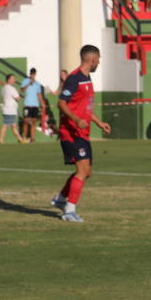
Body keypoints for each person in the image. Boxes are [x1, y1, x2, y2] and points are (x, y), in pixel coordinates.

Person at [51, 45, 111, 220]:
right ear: (92, 60)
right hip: (70, 132)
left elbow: (85, 107)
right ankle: (69, 211)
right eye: (98, 59)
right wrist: (76, 120)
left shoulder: (87, 78)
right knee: (82, 170)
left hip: (82, 133)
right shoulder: (74, 78)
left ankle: (61, 199)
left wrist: (99, 123)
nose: (99, 62)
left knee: (87, 172)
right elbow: (61, 103)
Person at [0, 73, 23, 144]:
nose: (14, 80)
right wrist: (19, 94)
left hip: (6, 108)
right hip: (10, 110)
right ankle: (1, 140)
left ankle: (20, 139)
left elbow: (2, 98)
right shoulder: (11, 88)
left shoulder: (3, 88)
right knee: (5, 124)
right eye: (13, 79)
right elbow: (17, 98)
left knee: (13, 125)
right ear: (8, 80)